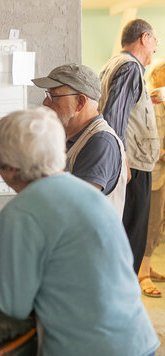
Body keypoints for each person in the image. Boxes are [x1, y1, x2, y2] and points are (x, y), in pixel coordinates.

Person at [0, 108, 158, 356]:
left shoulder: (22, 212)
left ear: (9, 169)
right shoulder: (90, 194)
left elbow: (13, 304)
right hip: (137, 345)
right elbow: (61, 273)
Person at [98, 18, 160, 274]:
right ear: (144, 38)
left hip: (129, 163)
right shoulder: (130, 68)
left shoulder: (115, 64)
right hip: (131, 166)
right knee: (131, 238)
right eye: (155, 41)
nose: (156, 49)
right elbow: (114, 118)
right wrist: (121, 162)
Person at [32, 63, 126, 217]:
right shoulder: (68, 137)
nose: (45, 103)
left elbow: (73, 209)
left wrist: (12, 227)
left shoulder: (100, 142)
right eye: (46, 94)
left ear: (80, 102)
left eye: (52, 96)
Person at [140, 60, 165, 298]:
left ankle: (147, 265)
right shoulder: (150, 102)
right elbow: (151, 142)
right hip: (153, 172)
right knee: (150, 221)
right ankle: (142, 272)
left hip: (162, 175)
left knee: (158, 224)